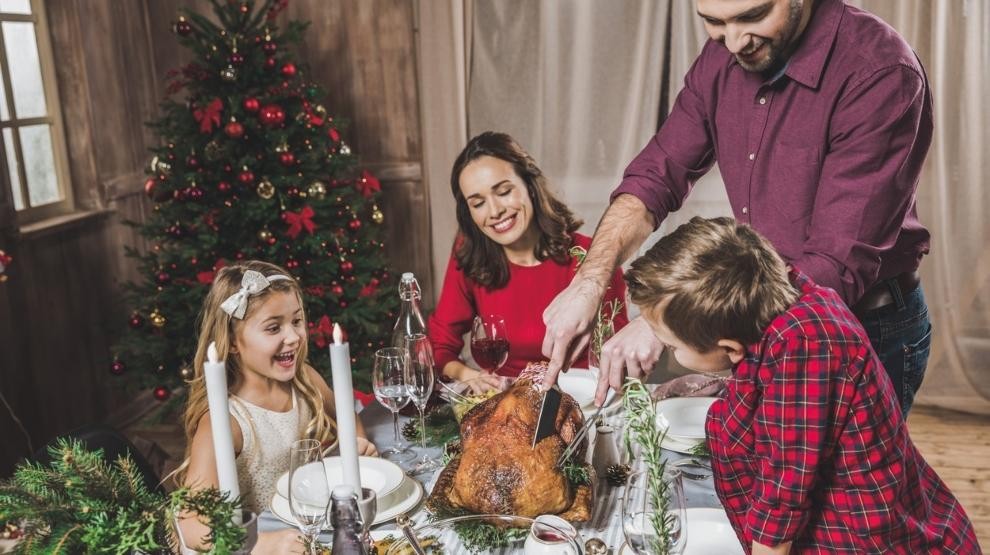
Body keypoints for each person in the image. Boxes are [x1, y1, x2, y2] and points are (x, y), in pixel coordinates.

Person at [541, 0, 934, 416]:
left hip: (861, 322)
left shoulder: (879, 71)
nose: (733, 41)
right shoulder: (724, 55)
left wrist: (671, 320)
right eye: (713, 22)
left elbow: (835, 265)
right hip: (754, 314)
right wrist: (589, 282)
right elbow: (655, 178)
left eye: (752, 16)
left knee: (836, 482)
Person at [625, 217, 977, 554]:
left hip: (868, 542)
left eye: (673, 347)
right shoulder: (784, 303)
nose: (671, 352)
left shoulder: (805, 348)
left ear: (730, 347)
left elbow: (780, 504)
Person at [172, 260, 377, 553]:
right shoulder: (225, 422)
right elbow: (189, 523)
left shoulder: (305, 380)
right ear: (232, 342)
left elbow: (347, 416)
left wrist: (357, 442)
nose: (293, 337)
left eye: (296, 321)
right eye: (273, 327)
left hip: (303, 535)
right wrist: (255, 544)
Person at [429, 131, 629, 393]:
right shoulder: (469, 257)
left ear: (529, 186)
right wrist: (467, 374)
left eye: (503, 191)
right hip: (508, 400)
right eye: (478, 203)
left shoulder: (590, 257)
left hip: (584, 399)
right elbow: (440, 344)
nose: (495, 211)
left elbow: (618, 352)